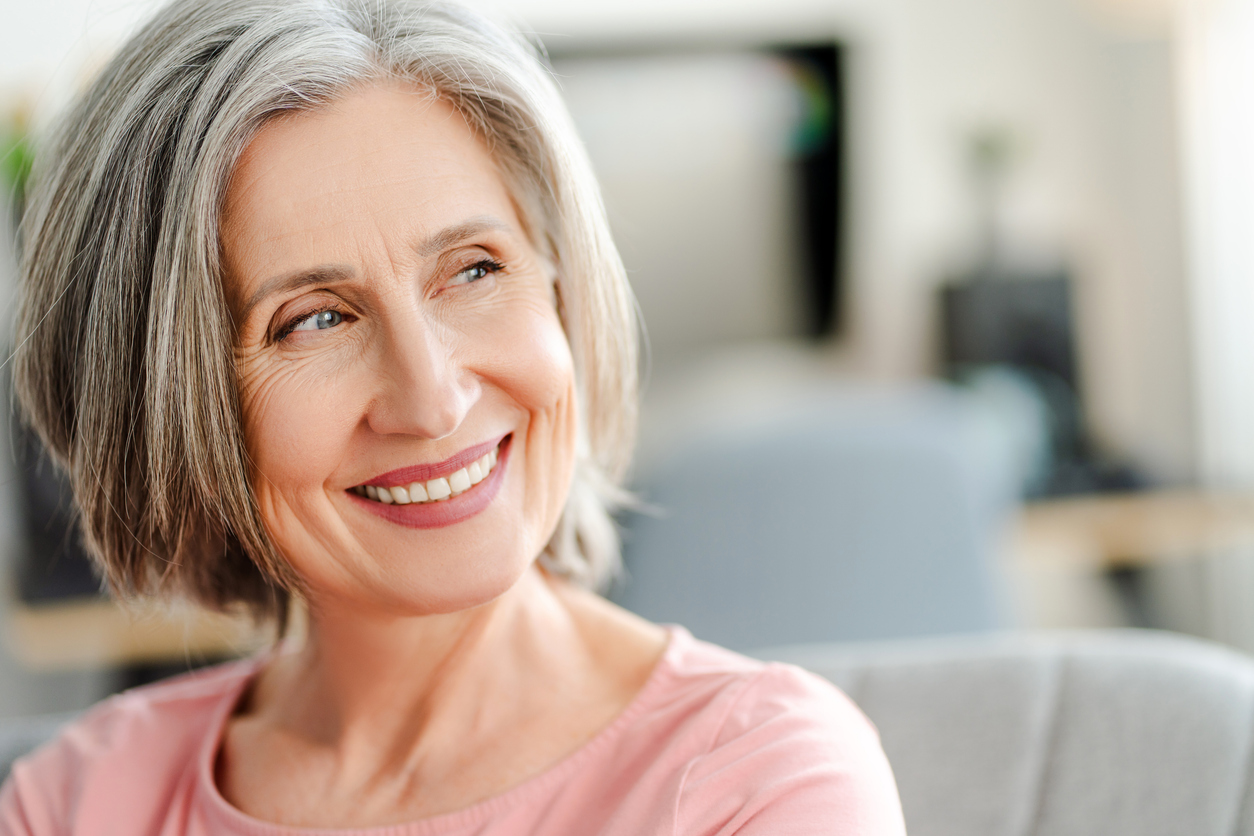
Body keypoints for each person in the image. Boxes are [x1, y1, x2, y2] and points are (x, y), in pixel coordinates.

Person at [0, 0, 906, 832]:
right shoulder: (74, 803)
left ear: (559, 285)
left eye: (474, 269)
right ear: (169, 409)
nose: (433, 400)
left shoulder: (762, 781)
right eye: (315, 319)